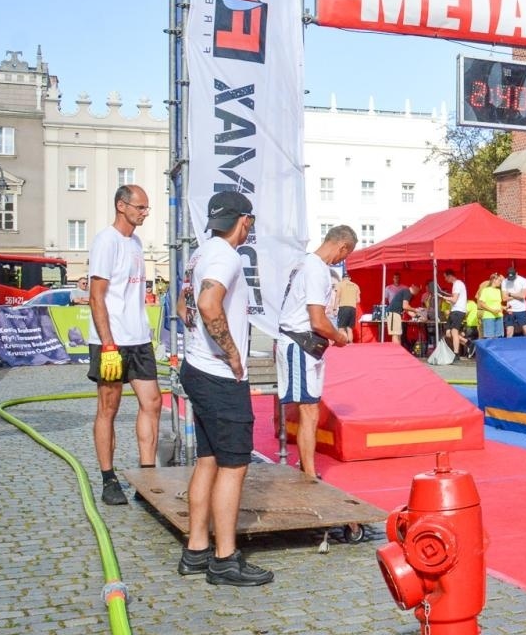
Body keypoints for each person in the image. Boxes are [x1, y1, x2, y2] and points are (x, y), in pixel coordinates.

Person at [175, 191, 272, 586]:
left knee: (208, 460)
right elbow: (208, 303)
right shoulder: (226, 257)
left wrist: (199, 339)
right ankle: (224, 559)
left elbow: (183, 305)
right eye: (251, 222)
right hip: (218, 375)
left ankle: (196, 550)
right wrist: (231, 353)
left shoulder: (200, 253)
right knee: (233, 465)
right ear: (243, 221)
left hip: (197, 368)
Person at [87, 184, 163, 506]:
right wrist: (107, 344)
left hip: (138, 337)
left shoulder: (136, 242)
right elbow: (96, 296)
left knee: (153, 402)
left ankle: (146, 478)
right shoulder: (106, 241)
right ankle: (109, 479)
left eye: (146, 208)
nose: (145, 213)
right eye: (140, 207)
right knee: (109, 408)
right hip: (112, 340)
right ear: (122, 205)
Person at [276, 225, 356, 482]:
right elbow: (318, 320)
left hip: (306, 345)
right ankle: (309, 474)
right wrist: (339, 337)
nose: (342, 260)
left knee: (311, 408)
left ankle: (307, 468)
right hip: (300, 344)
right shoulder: (315, 269)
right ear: (342, 246)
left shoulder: (308, 264)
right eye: (345, 255)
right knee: (309, 410)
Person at [441, 269, 468, 356]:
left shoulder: (457, 284)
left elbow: (454, 299)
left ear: (450, 276)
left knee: (454, 332)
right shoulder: (457, 284)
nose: (445, 279)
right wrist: (449, 300)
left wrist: (444, 297)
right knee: (448, 333)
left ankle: (456, 353)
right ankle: (467, 343)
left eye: (445, 277)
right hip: (455, 310)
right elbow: (455, 300)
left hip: (458, 311)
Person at [475, 273, 505, 341]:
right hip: (489, 316)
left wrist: (504, 307)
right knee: (489, 338)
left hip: (499, 316)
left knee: (498, 337)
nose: (500, 282)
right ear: (494, 280)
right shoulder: (486, 290)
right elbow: (481, 303)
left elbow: (498, 304)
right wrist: (492, 310)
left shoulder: (498, 291)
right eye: (499, 280)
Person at [502, 265, 526, 336]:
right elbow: (504, 298)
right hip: (510, 309)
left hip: (521, 309)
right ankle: (509, 343)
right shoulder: (504, 281)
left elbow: (523, 296)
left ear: (517, 274)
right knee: (509, 332)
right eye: (509, 277)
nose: (511, 279)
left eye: (512, 277)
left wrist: (510, 294)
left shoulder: (523, 280)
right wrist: (518, 295)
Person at [334, 270, 360, 337]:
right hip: (352, 308)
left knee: (341, 328)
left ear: (343, 278)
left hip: (344, 308)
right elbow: (358, 300)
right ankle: (350, 342)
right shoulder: (356, 286)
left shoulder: (340, 284)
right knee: (349, 328)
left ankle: (344, 342)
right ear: (349, 278)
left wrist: (334, 308)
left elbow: (337, 297)